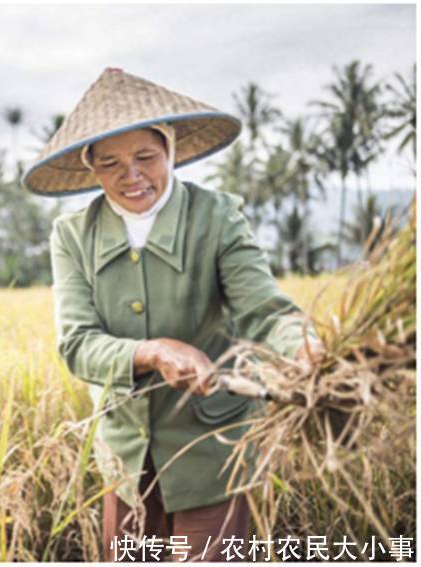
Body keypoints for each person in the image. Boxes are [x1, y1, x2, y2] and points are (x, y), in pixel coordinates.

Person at [22, 68, 324, 562]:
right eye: (111, 163)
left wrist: (305, 347)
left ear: (170, 151)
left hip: (212, 448)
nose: (132, 175)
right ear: (92, 169)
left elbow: (264, 312)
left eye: (145, 156)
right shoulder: (72, 236)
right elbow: (76, 343)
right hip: (126, 451)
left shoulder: (217, 216)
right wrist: (153, 351)